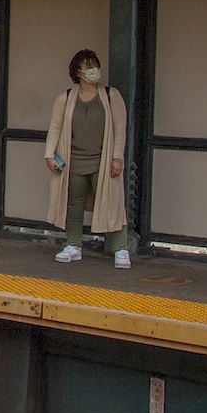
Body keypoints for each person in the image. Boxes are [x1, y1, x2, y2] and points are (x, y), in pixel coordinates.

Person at [45, 48, 130, 268]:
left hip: (103, 161)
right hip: (74, 161)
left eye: (95, 65)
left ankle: (121, 248)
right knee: (74, 203)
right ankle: (74, 245)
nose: (94, 70)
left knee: (113, 201)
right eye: (88, 66)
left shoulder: (112, 96)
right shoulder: (65, 98)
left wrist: (117, 158)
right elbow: (55, 128)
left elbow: (120, 129)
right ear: (78, 72)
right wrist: (49, 154)